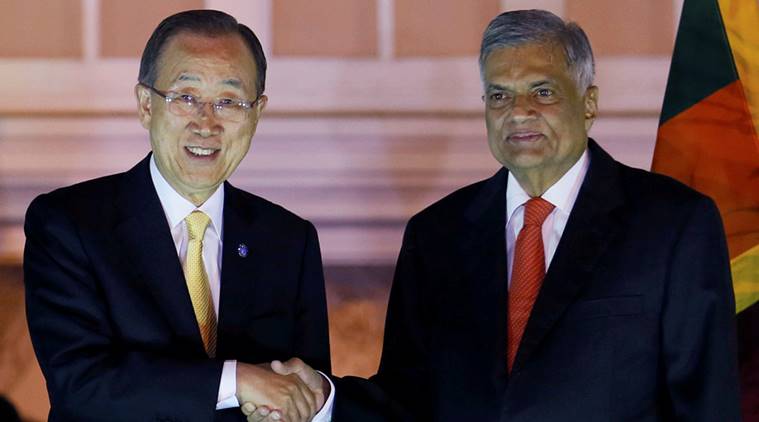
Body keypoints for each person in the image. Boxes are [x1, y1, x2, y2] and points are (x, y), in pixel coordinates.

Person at [329, 9, 741, 421]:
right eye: (499, 95)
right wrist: (321, 401)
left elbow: (705, 403)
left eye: (542, 92)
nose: (518, 111)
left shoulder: (674, 224)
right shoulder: (435, 235)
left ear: (589, 103)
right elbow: (403, 400)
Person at [24, 10, 332, 422]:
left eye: (228, 102)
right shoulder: (69, 224)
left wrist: (317, 399)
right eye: (185, 98)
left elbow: (303, 385)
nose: (206, 124)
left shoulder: (290, 240)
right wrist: (236, 381)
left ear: (256, 114)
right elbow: (81, 385)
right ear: (146, 105)